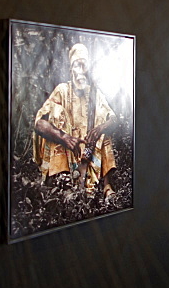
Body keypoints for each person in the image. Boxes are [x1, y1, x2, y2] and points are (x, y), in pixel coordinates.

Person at [33, 43, 117, 203]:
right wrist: (64, 138)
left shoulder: (95, 93)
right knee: (54, 116)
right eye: (75, 66)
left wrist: (100, 128)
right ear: (71, 70)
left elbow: (114, 118)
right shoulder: (62, 90)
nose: (79, 71)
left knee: (103, 125)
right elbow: (39, 124)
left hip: (88, 152)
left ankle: (106, 186)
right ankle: (60, 179)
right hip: (67, 148)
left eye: (83, 65)